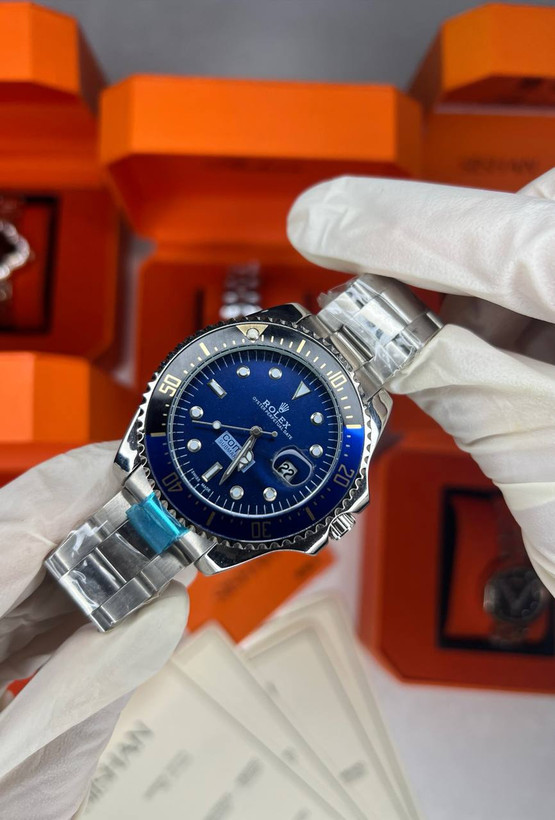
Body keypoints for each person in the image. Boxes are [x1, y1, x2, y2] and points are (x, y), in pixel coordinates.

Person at [1, 169, 554, 816]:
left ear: (334, 510)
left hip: (195, 485)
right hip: (161, 476)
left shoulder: (356, 426)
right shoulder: (319, 397)